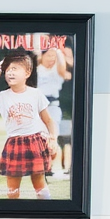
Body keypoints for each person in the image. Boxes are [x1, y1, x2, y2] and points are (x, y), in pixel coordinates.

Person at [0, 50, 58, 200]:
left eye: (15, 69)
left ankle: (46, 212)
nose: (10, 73)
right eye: (7, 70)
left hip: (35, 141)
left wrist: (53, 139)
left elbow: (49, 121)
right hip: (14, 143)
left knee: (39, 183)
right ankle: (13, 214)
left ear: (27, 72)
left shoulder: (36, 94)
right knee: (12, 189)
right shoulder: (2, 96)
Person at [36, 45, 71, 179]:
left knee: (52, 137)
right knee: (39, 138)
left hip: (53, 106)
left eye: (54, 57)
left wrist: (57, 51)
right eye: (49, 55)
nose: (51, 59)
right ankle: (41, 167)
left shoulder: (57, 72)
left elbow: (62, 67)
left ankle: (47, 167)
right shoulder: (37, 70)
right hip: (39, 107)